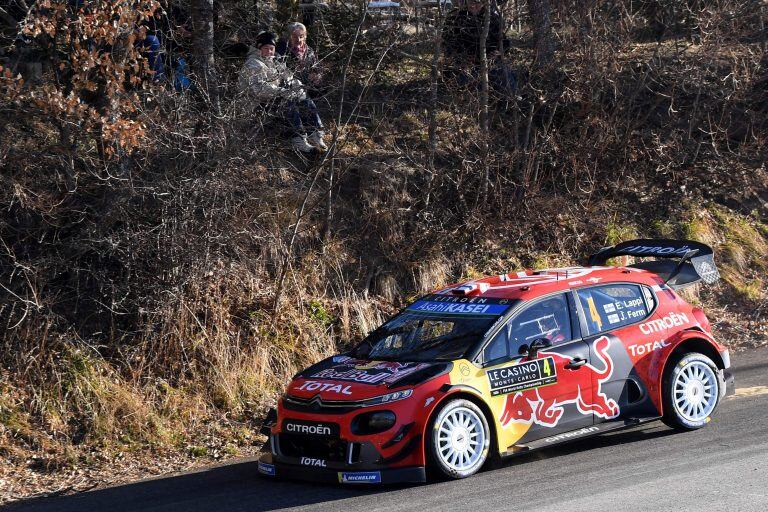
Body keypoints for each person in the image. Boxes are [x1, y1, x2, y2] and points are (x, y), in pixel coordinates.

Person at [239, 31, 327, 152]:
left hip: (271, 98)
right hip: (254, 104)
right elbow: (259, 90)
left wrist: (297, 87)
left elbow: (289, 77)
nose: (270, 51)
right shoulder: (253, 64)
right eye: (266, 48)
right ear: (259, 48)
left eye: (272, 48)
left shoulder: (275, 61)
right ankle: (298, 139)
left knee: (305, 99)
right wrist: (283, 92)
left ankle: (315, 134)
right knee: (287, 102)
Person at [443, 0, 517, 97]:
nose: (474, 6)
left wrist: (498, 52)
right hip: (464, 62)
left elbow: (504, 42)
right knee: (462, 81)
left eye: (478, 2)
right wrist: (461, 57)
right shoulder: (454, 18)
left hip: (490, 61)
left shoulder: (493, 18)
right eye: (471, 2)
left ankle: (513, 102)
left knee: (505, 78)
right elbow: (447, 43)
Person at [276, 22, 324, 98]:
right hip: (290, 90)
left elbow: (317, 66)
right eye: (294, 37)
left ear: (305, 36)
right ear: (288, 37)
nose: (298, 40)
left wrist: (317, 74)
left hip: (310, 88)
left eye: (301, 36)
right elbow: (278, 71)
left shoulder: (309, 51)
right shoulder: (281, 50)